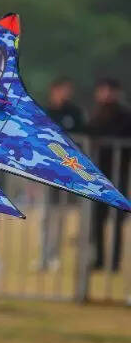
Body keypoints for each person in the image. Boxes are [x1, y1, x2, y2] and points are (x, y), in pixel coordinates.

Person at [40, 78, 85, 270]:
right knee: (46, 215)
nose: (65, 94)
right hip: (47, 168)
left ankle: (54, 255)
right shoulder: (44, 111)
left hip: (66, 171)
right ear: (54, 91)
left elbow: (83, 137)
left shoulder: (75, 113)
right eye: (62, 90)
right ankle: (43, 255)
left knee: (60, 215)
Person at [88, 78, 131, 271]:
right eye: (102, 90)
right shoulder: (95, 115)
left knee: (116, 220)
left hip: (117, 172)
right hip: (98, 175)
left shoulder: (124, 115)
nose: (105, 94)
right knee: (97, 219)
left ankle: (114, 262)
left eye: (108, 90)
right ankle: (99, 259)